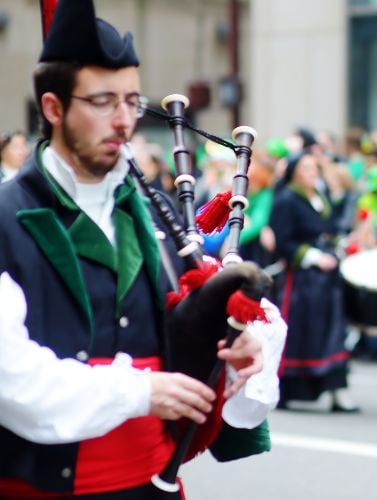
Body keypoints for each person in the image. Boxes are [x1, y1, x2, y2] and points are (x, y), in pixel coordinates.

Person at [0, 1, 284, 497]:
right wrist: (140, 390)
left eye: (132, 101)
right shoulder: (7, 218)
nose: (123, 120)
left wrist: (230, 352)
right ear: (54, 108)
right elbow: (13, 379)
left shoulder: (155, 216)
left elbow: (178, 338)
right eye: (102, 101)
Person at [270, 153, 358, 412]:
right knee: (298, 332)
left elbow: (327, 231)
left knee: (332, 332)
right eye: (306, 167)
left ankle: (337, 389)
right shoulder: (286, 200)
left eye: (314, 167)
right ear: (294, 172)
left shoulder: (320, 197)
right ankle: (285, 389)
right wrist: (313, 257)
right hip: (300, 280)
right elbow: (283, 241)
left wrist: (337, 247)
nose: (312, 171)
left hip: (325, 279)